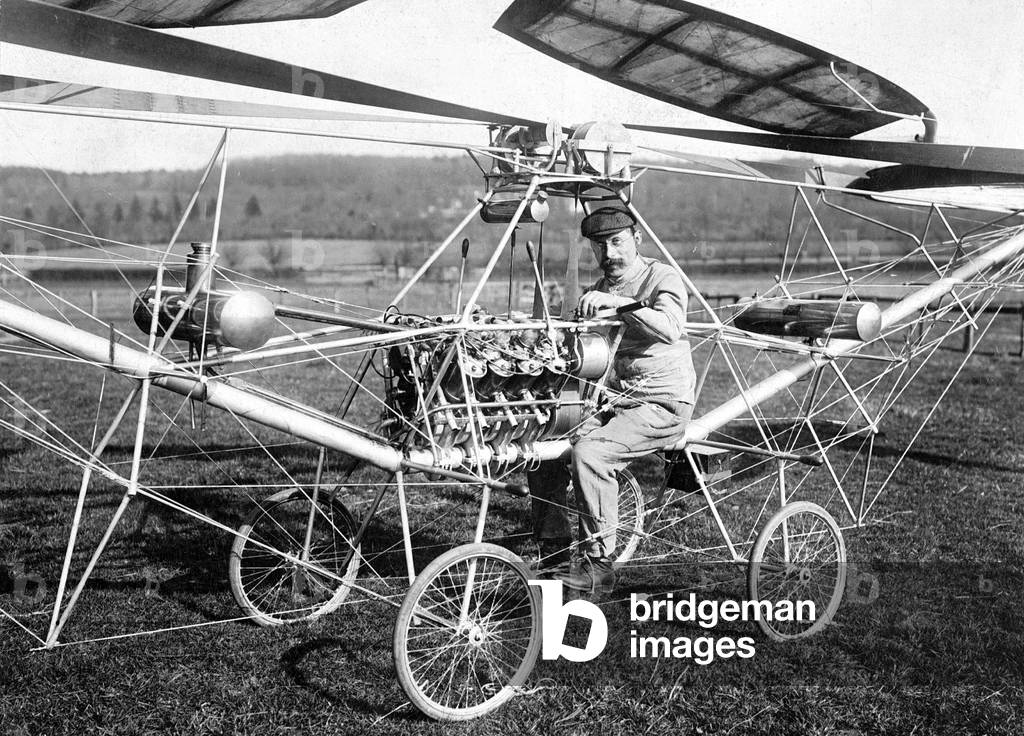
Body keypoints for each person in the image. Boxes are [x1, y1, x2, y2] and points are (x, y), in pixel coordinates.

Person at [528, 206, 696, 595]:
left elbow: (671, 328)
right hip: (613, 402)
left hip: (662, 402)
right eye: (600, 247)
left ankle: (599, 565)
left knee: (592, 454)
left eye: (617, 242)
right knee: (541, 450)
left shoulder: (660, 276)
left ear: (637, 239)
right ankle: (553, 554)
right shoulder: (598, 290)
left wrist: (617, 304)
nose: (610, 254)